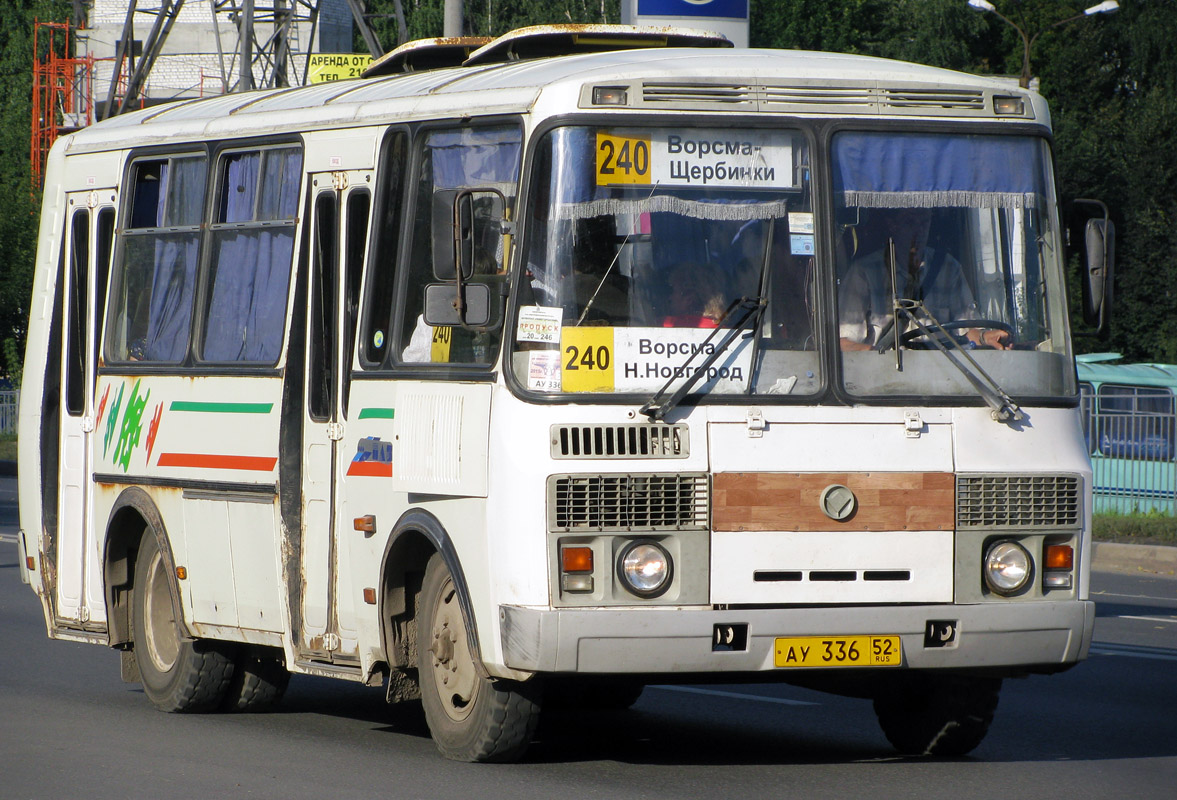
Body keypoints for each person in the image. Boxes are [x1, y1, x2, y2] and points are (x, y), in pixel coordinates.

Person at [838, 207, 1010, 351]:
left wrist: (985, 337)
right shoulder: (863, 273)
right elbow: (844, 344)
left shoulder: (948, 269)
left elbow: (967, 332)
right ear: (893, 226)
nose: (919, 232)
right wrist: (879, 356)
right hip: (886, 380)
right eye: (911, 223)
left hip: (940, 378)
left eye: (924, 223)